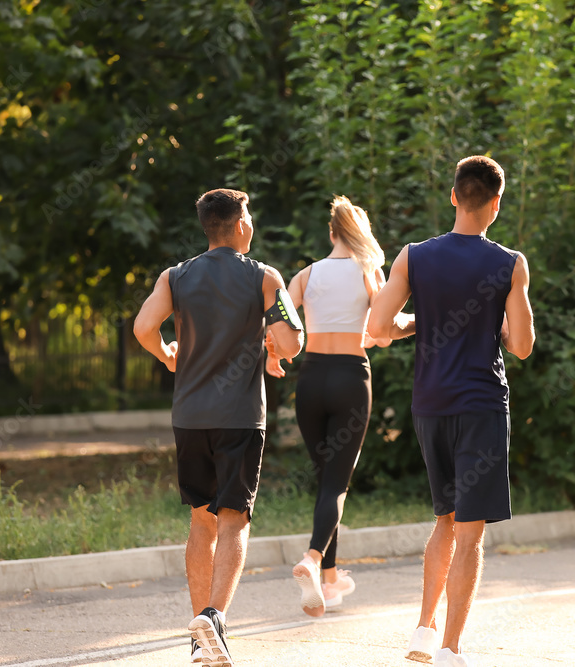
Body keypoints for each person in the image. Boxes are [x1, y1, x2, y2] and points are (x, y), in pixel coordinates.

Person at [369, 155, 535, 667]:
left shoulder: (413, 256)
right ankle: (451, 649)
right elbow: (523, 345)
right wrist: (500, 330)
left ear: (453, 196)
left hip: (430, 404)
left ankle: (424, 629)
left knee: (445, 519)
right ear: (496, 203)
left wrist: (420, 322)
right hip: (481, 404)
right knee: (471, 530)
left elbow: (379, 326)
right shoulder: (510, 263)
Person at [134, 188, 303, 666]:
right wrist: (273, 341)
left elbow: (144, 328)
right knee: (234, 521)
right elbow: (292, 342)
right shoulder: (265, 277)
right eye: (249, 216)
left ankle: (199, 636)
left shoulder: (176, 276)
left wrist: (167, 353)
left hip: (189, 418)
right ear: (241, 225)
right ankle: (215, 618)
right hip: (240, 419)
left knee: (201, 521)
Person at [265, 195, 414, 617]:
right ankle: (312, 561)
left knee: (327, 480)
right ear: (358, 233)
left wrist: (272, 351)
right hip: (350, 379)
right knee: (337, 483)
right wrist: (422, 322)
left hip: (310, 381)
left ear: (331, 233)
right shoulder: (369, 272)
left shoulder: (305, 275)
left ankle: (329, 582)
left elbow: (277, 318)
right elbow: (383, 334)